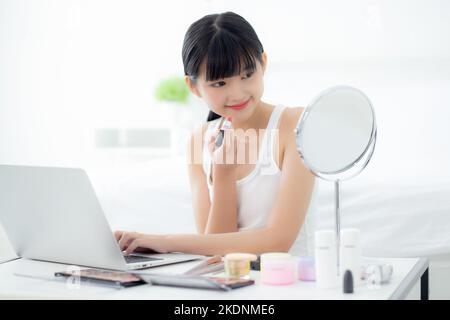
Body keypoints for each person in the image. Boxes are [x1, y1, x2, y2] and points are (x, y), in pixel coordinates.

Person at [114, 11, 316, 256]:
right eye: (220, 83)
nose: (238, 93)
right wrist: (223, 177)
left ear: (263, 63)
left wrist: (164, 242)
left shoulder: (295, 125)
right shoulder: (198, 141)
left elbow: (277, 241)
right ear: (193, 87)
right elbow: (214, 253)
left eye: (247, 75)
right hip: (228, 288)